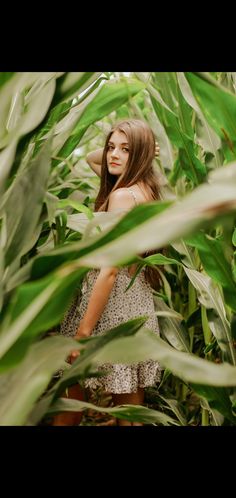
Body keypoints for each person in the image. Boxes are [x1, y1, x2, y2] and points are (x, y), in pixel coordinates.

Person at [69, 119, 162, 426]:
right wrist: (140, 152)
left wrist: (83, 332)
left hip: (109, 307)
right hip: (136, 305)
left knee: (69, 393)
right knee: (130, 410)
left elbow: (109, 270)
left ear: (139, 156)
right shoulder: (144, 190)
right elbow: (92, 158)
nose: (112, 155)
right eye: (111, 147)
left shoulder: (122, 197)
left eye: (125, 150)